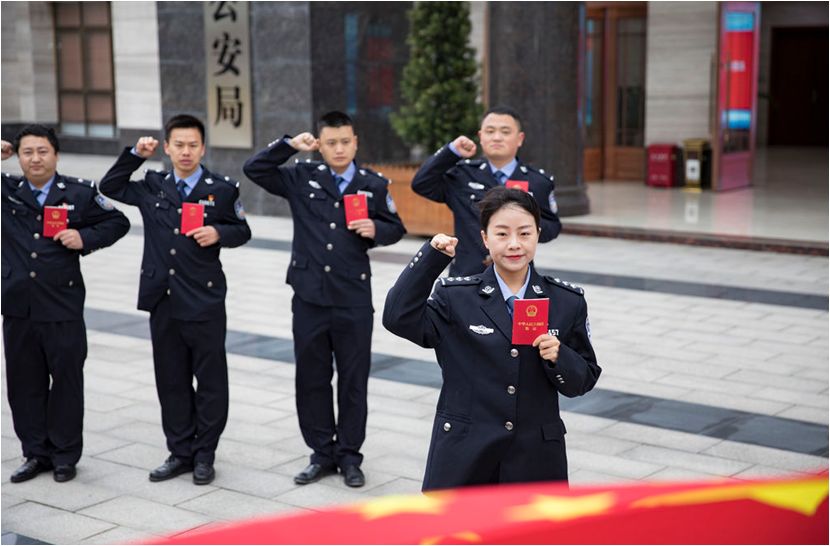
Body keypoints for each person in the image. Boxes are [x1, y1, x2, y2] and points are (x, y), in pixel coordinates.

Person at [383, 186, 600, 491]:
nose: (514, 244)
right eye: (502, 234)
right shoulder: (455, 297)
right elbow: (396, 317)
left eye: (524, 234)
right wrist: (431, 258)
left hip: (535, 458)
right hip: (465, 453)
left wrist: (560, 356)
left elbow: (584, 380)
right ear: (485, 238)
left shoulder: (566, 301)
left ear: (538, 234)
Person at [243, 111, 405, 488]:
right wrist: (288, 146)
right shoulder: (302, 176)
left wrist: (376, 229)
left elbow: (397, 228)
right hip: (309, 296)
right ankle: (320, 453)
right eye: (330, 142)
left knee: (352, 380)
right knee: (311, 378)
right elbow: (254, 169)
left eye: (345, 141)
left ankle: (349, 456)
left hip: (352, 297)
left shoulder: (372, 184)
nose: (339, 148)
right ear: (319, 143)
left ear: (356, 142)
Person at [98, 115, 251, 485]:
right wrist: (135, 154)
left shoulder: (222, 189)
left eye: (192, 145)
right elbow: (111, 185)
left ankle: (205, 454)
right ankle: (179, 451)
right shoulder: (153, 185)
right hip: (163, 298)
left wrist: (219, 231)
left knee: (211, 381)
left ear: (203, 148)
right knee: (171, 379)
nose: (185, 152)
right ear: (167, 147)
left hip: (204, 300)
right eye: (178, 145)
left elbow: (242, 230)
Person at [1, 126, 130, 483]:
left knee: (67, 382)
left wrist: (84, 238)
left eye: (42, 151)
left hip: (62, 305)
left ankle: (64, 455)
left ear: (56, 155)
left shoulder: (78, 192)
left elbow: (118, 222)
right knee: (23, 383)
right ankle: (35, 453)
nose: (35, 159)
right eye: (27, 152)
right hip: (18, 306)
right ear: (18, 156)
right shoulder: (6, 190)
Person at [411, 105, 562, 276]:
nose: (497, 137)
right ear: (481, 137)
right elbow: (421, 183)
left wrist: (523, 227)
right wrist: (451, 152)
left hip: (516, 275)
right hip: (467, 276)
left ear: (520, 139)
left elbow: (552, 227)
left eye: (505, 132)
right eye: (490, 131)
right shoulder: (463, 175)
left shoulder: (538, 181)